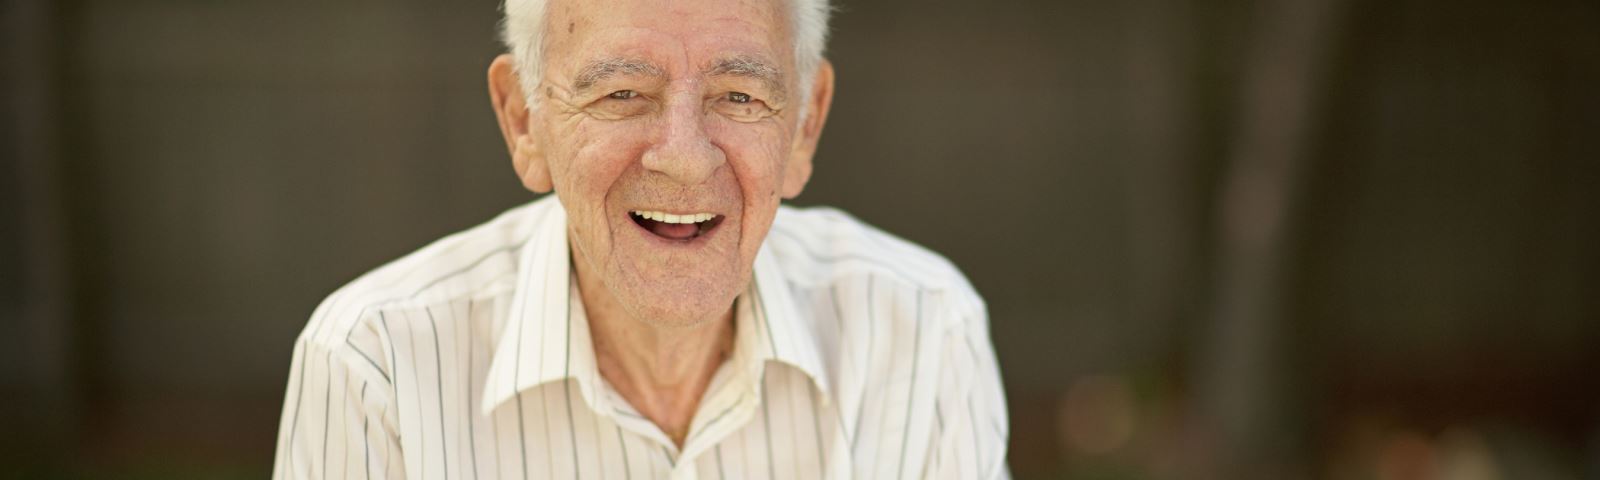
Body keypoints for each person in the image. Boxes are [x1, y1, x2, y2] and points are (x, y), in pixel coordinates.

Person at [271, 0, 1009, 478]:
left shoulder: (925, 329)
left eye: (740, 97)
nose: (685, 156)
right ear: (524, 120)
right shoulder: (377, 363)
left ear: (805, 125)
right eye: (621, 94)